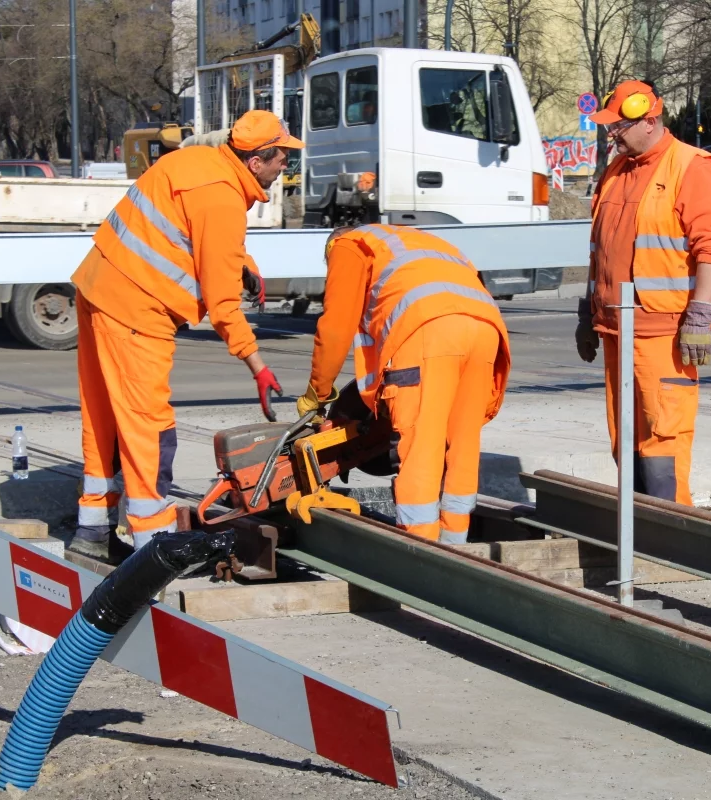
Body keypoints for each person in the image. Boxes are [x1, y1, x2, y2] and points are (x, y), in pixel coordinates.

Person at [68, 109, 302, 561]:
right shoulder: (223, 200)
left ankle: (91, 532)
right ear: (256, 161)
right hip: (138, 309)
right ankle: (151, 551)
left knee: (103, 418)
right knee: (149, 429)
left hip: (98, 286)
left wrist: (243, 265)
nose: (284, 168)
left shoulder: (192, 163)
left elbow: (192, 235)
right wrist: (256, 362)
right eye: (281, 159)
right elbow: (222, 304)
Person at [576, 80, 711, 506]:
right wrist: (586, 316)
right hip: (614, 330)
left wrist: (700, 315)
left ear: (649, 121)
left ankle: (671, 534)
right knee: (625, 438)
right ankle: (636, 532)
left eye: (619, 126)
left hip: (663, 333)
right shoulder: (616, 171)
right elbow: (601, 251)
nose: (612, 134)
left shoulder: (691, 166)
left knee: (663, 439)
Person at [298, 224, 511, 543]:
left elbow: (335, 328)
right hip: (486, 331)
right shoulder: (420, 241)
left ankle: (420, 550)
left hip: (427, 334)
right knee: (462, 444)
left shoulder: (348, 245)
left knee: (420, 442)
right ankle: (457, 547)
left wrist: (318, 392)